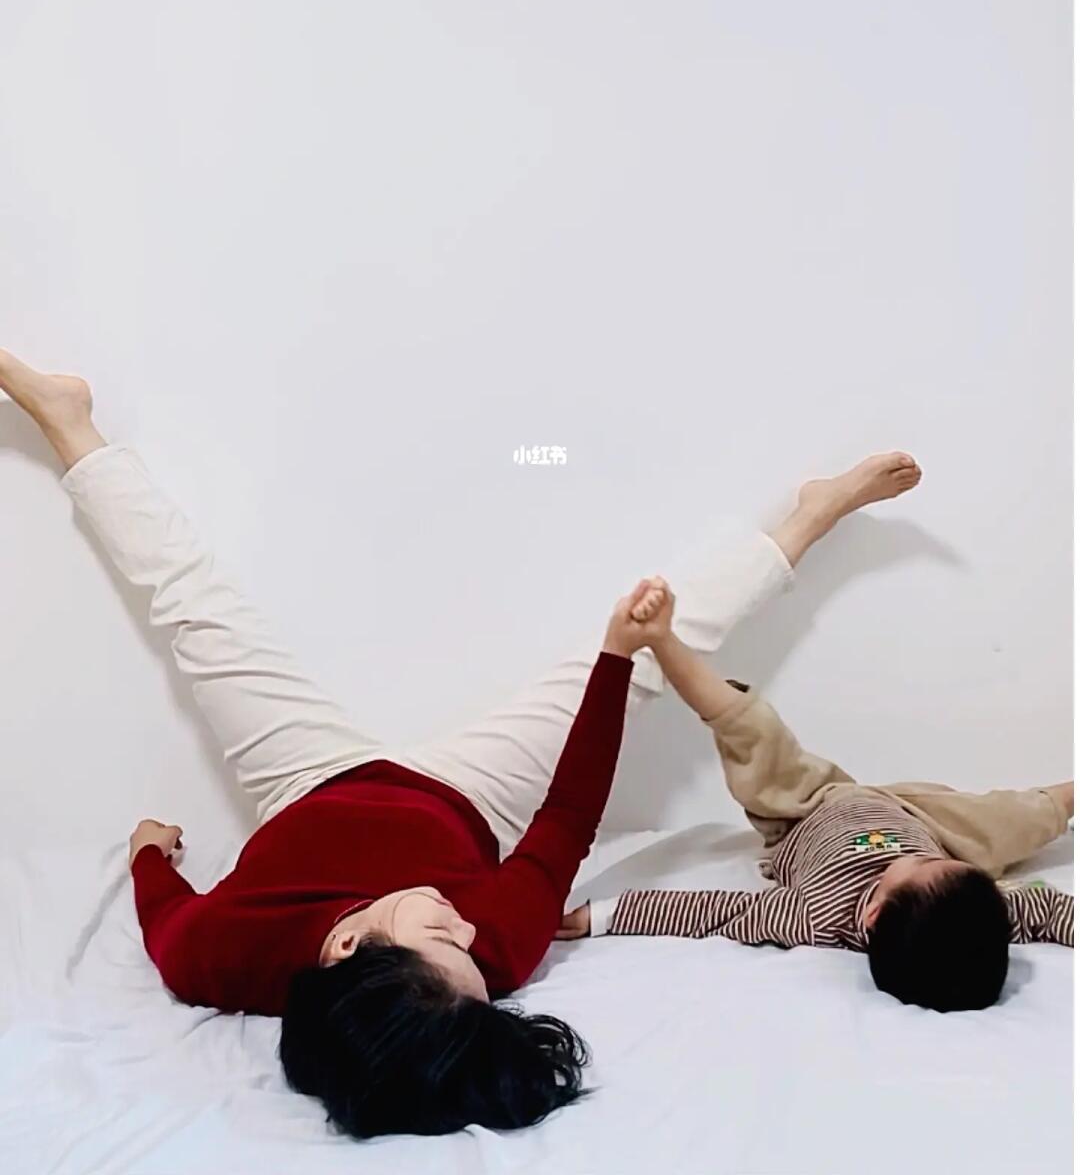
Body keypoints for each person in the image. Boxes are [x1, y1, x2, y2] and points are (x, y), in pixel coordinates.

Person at [0, 346, 921, 1136]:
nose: (466, 926)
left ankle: (69, 422)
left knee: (197, 610)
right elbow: (567, 818)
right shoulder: (494, 950)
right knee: (654, 653)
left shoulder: (221, 955)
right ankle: (807, 517)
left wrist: (147, 853)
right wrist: (615, 655)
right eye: (470, 957)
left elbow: (165, 919)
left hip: (304, 784)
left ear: (347, 945)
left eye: (440, 935)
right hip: (462, 798)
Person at [563, 576, 1074, 1013]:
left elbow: (708, 912)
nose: (929, 859)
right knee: (1018, 816)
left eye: (922, 864)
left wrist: (599, 917)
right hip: (929, 817)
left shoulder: (813, 915)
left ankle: (662, 641)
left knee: (755, 733)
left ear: (873, 915)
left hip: (810, 806)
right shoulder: (982, 910)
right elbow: (1052, 911)